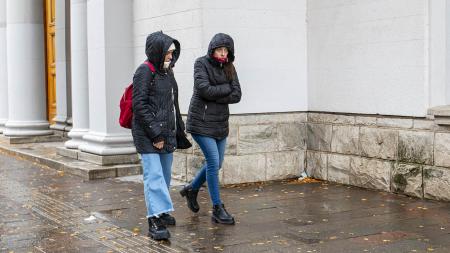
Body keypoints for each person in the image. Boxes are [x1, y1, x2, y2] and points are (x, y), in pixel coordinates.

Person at [181, 33, 242, 225]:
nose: (223, 53)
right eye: (219, 50)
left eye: (226, 50)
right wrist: (226, 88)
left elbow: (237, 95)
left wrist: (216, 93)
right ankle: (217, 208)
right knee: (214, 162)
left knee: (218, 162)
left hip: (220, 124)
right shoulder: (201, 64)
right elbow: (203, 89)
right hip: (201, 121)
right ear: (212, 49)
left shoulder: (230, 67)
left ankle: (192, 189)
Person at [131, 31, 183, 240]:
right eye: (168, 53)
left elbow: (172, 104)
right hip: (148, 135)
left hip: (166, 133)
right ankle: (154, 219)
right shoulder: (144, 71)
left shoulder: (167, 72)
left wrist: (177, 128)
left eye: (172, 53)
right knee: (153, 176)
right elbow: (139, 105)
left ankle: (161, 212)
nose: (171, 56)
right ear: (158, 51)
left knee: (165, 175)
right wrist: (156, 135)